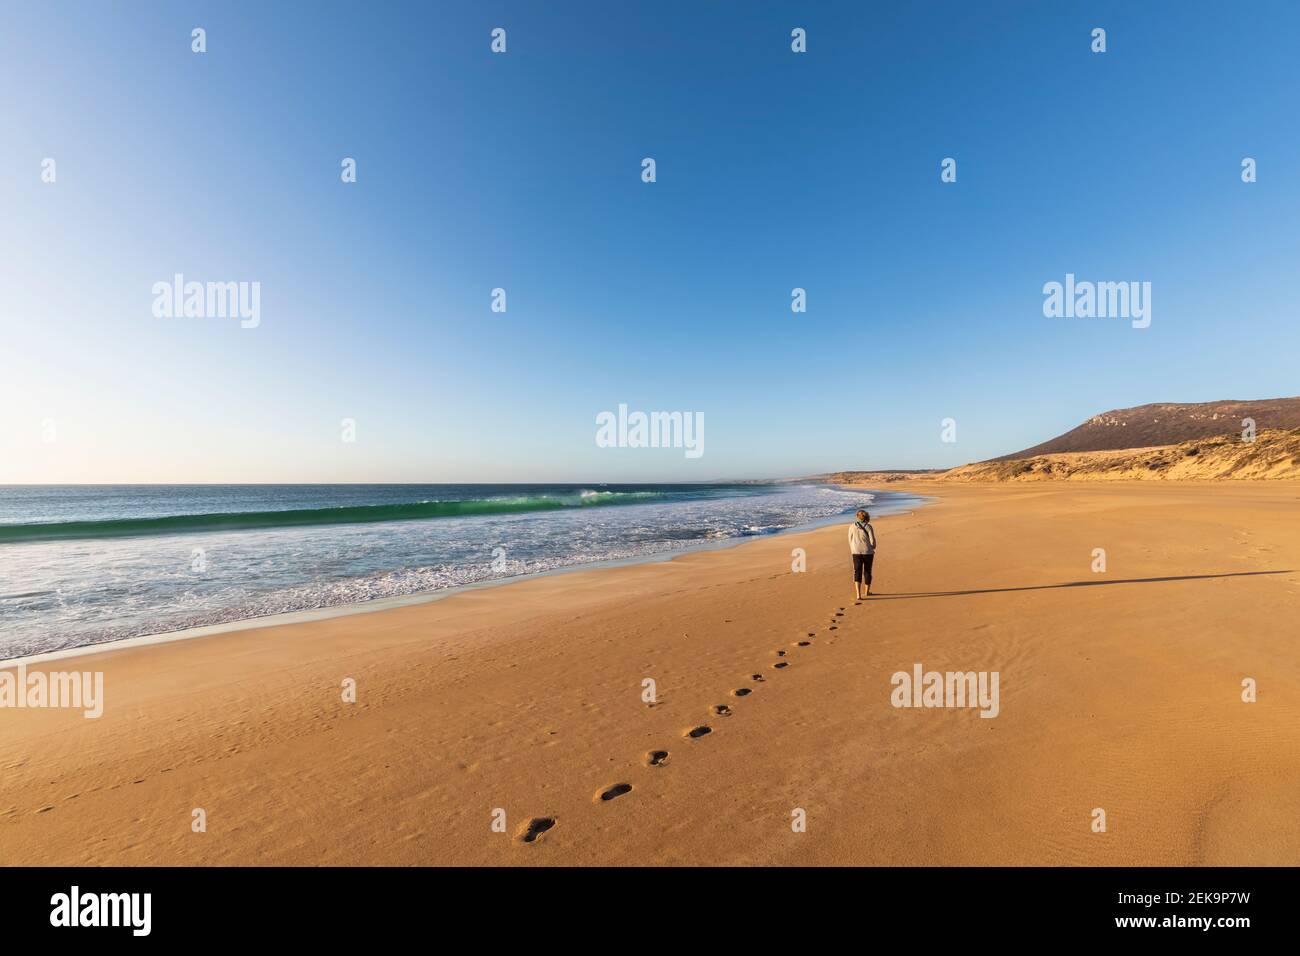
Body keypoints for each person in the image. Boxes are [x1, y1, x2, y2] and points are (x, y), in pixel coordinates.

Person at [848, 509, 877, 600]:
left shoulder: (852, 526)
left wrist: (853, 548)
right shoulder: (868, 527)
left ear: (857, 516)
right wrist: (873, 547)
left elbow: (850, 539)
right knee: (867, 571)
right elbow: (873, 541)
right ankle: (867, 592)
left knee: (857, 571)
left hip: (855, 551)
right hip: (867, 552)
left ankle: (858, 594)